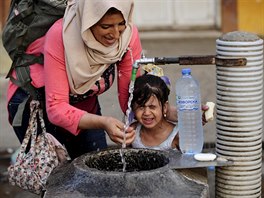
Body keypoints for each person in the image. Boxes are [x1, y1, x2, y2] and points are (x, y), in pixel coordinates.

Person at [7, 0, 142, 159]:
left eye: (121, 24)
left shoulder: (128, 36)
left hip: (83, 104)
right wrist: (104, 122)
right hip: (36, 104)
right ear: (88, 22)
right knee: (51, 177)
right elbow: (56, 109)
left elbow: (130, 95)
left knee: (95, 170)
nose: (116, 34)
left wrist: (157, 113)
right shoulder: (61, 35)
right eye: (105, 27)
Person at [130, 74, 180, 151]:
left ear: (165, 107)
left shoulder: (177, 136)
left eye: (152, 107)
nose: (146, 113)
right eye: (141, 107)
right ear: (133, 107)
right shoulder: (133, 131)